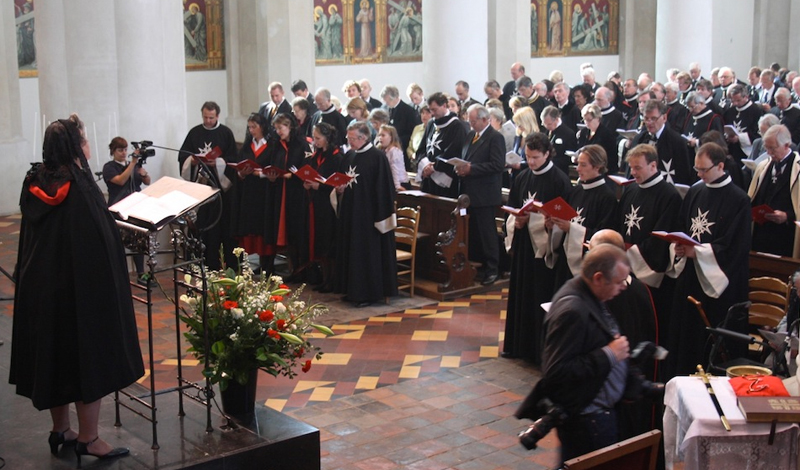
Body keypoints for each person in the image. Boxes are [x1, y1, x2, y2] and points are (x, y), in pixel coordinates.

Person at [10, 115, 143, 464]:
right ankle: (89, 438)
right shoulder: (80, 186)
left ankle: (61, 430)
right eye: (83, 141)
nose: (87, 146)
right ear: (74, 146)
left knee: (56, 358)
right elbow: (99, 241)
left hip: (43, 291)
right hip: (80, 295)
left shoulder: (33, 179)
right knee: (87, 361)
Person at [516, 244, 650, 465]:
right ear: (598, 278)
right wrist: (609, 354)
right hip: (588, 419)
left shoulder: (587, 293)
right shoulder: (573, 310)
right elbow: (556, 371)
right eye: (619, 282)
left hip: (595, 413)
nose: (623, 287)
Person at [665, 142, 751, 378]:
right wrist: (680, 247)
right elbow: (683, 226)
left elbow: (736, 247)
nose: (699, 175)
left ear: (721, 166)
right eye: (697, 170)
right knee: (686, 338)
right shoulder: (695, 191)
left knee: (707, 341)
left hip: (717, 284)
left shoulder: (739, 200)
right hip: (690, 275)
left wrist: (699, 253)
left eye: (704, 170)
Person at [502, 132, 572, 363]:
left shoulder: (559, 180)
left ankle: (536, 351)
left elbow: (562, 218)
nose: (531, 162)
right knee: (520, 293)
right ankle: (517, 345)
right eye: (528, 156)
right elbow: (512, 209)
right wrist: (516, 221)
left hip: (544, 252)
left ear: (547, 154)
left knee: (538, 295)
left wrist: (539, 222)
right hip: (523, 246)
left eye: (536, 157)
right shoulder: (521, 177)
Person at [618, 144, 682, 350]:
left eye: (638, 168)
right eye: (631, 168)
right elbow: (620, 224)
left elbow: (661, 239)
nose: (633, 173)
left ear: (653, 165)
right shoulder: (630, 190)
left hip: (648, 273)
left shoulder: (668, 195)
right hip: (625, 268)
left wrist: (629, 251)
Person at [333, 121, 398, 307]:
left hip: (369, 217)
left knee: (366, 255)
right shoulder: (349, 156)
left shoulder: (377, 157)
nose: (349, 142)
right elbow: (342, 181)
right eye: (348, 138)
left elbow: (384, 190)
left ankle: (368, 294)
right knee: (351, 252)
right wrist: (339, 189)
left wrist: (381, 218)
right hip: (351, 214)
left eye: (352, 138)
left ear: (363, 137)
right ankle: (352, 290)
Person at [178, 101, 238, 270]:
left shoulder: (225, 133)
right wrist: (193, 160)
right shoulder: (194, 133)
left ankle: (224, 263)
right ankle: (202, 262)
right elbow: (183, 155)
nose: (208, 120)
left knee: (221, 227)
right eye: (205, 117)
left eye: (211, 117)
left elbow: (233, 159)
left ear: (217, 116)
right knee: (202, 226)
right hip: (200, 188)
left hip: (220, 189)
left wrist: (217, 163)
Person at [549, 145, 618, 288]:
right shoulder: (577, 191)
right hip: (566, 257)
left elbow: (603, 237)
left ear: (597, 166)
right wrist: (554, 225)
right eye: (578, 164)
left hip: (588, 265)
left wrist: (571, 228)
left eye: (583, 164)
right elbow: (567, 220)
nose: (578, 169)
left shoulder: (607, 197)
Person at [456, 105, 506, 285]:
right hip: (469, 192)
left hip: (485, 194)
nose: (470, 123)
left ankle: (493, 268)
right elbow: (466, 158)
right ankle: (478, 265)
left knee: (487, 233)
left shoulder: (495, 137)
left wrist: (472, 169)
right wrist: (461, 168)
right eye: (469, 120)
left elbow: (498, 165)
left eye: (474, 120)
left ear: (485, 120)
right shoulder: (470, 135)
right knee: (474, 232)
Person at [265, 113, 309, 280]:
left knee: (295, 229)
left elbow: (305, 167)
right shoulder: (277, 145)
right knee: (282, 230)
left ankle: (299, 269)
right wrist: (272, 175)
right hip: (280, 191)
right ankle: (291, 267)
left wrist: (294, 176)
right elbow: (273, 164)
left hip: (295, 193)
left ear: (289, 126)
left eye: (281, 128)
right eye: (276, 128)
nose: (278, 132)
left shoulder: (301, 144)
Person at [228, 113, 273, 273]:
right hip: (248, 193)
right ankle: (249, 264)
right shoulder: (247, 147)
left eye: (254, 127)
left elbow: (274, 167)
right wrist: (242, 173)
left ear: (263, 127)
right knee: (249, 228)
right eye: (249, 127)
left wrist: (259, 173)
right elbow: (239, 168)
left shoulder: (271, 145)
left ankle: (267, 265)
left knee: (264, 228)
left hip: (265, 193)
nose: (252, 130)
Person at [102, 136, 151, 285]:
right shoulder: (109, 167)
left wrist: (144, 174)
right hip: (118, 207)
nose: (123, 153)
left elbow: (147, 182)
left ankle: (141, 273)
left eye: (125, 149)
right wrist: (133, 164)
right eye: (119, 150)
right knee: (118, 242)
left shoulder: (133, 165)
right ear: (113, 151)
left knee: (139, 240)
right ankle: (119, 274)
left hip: (136, 206)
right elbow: (121, 180)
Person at [748, 124, 800, 257]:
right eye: (767, 148)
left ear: (787, 145)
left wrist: (787, 216)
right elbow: (754, 198)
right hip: (761, 236)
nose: (769, 153)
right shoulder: (763, 167)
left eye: (773, 148)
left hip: (786, 237)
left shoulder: (797, 170)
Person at [306, 123, 342, 292]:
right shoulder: (317, 155)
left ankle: (333, 280)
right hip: (316, 202)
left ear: (327, 138)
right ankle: (324, 278)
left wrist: (318, 186)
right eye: (314, 137)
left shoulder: (336, 157)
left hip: (329, 204)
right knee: (319, 241)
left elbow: (336, 181)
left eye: (318, 138)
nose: (315, 141)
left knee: (329, 242)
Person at [416, 92, 466, 198]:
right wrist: (425, 165)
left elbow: (453, 151)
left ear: (444, 105)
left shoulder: (457, 126)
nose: (432, 113)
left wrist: (434, 167)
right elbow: (422, 149)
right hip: (428, 177)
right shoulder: (431, 124)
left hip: (444, 178)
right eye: (430, 110)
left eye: (434, 109)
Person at [578, 103, 618, 176]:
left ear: (598, 118)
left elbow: (611, 158)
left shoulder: (606, 134)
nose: (586, 122)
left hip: (603, 172)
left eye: (589, 120)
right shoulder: (583, 132)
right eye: (584, 119)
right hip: (586, 169)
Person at [540, 105, 578, 175]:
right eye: (544, 124)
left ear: (557, 119)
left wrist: (550, 162)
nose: (547, 127)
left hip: (559, 172)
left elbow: (569, 158)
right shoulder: (545, 130)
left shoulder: (568, 134)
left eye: (549, 124)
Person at [376, 124, 410, 190]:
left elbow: (395, 169)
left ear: (391, 137)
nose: (380, 138)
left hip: (400, 183)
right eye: (379, 135)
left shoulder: (394, 151)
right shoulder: (383, 150)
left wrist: (397, 186)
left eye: (383, 135)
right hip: (390, 182)